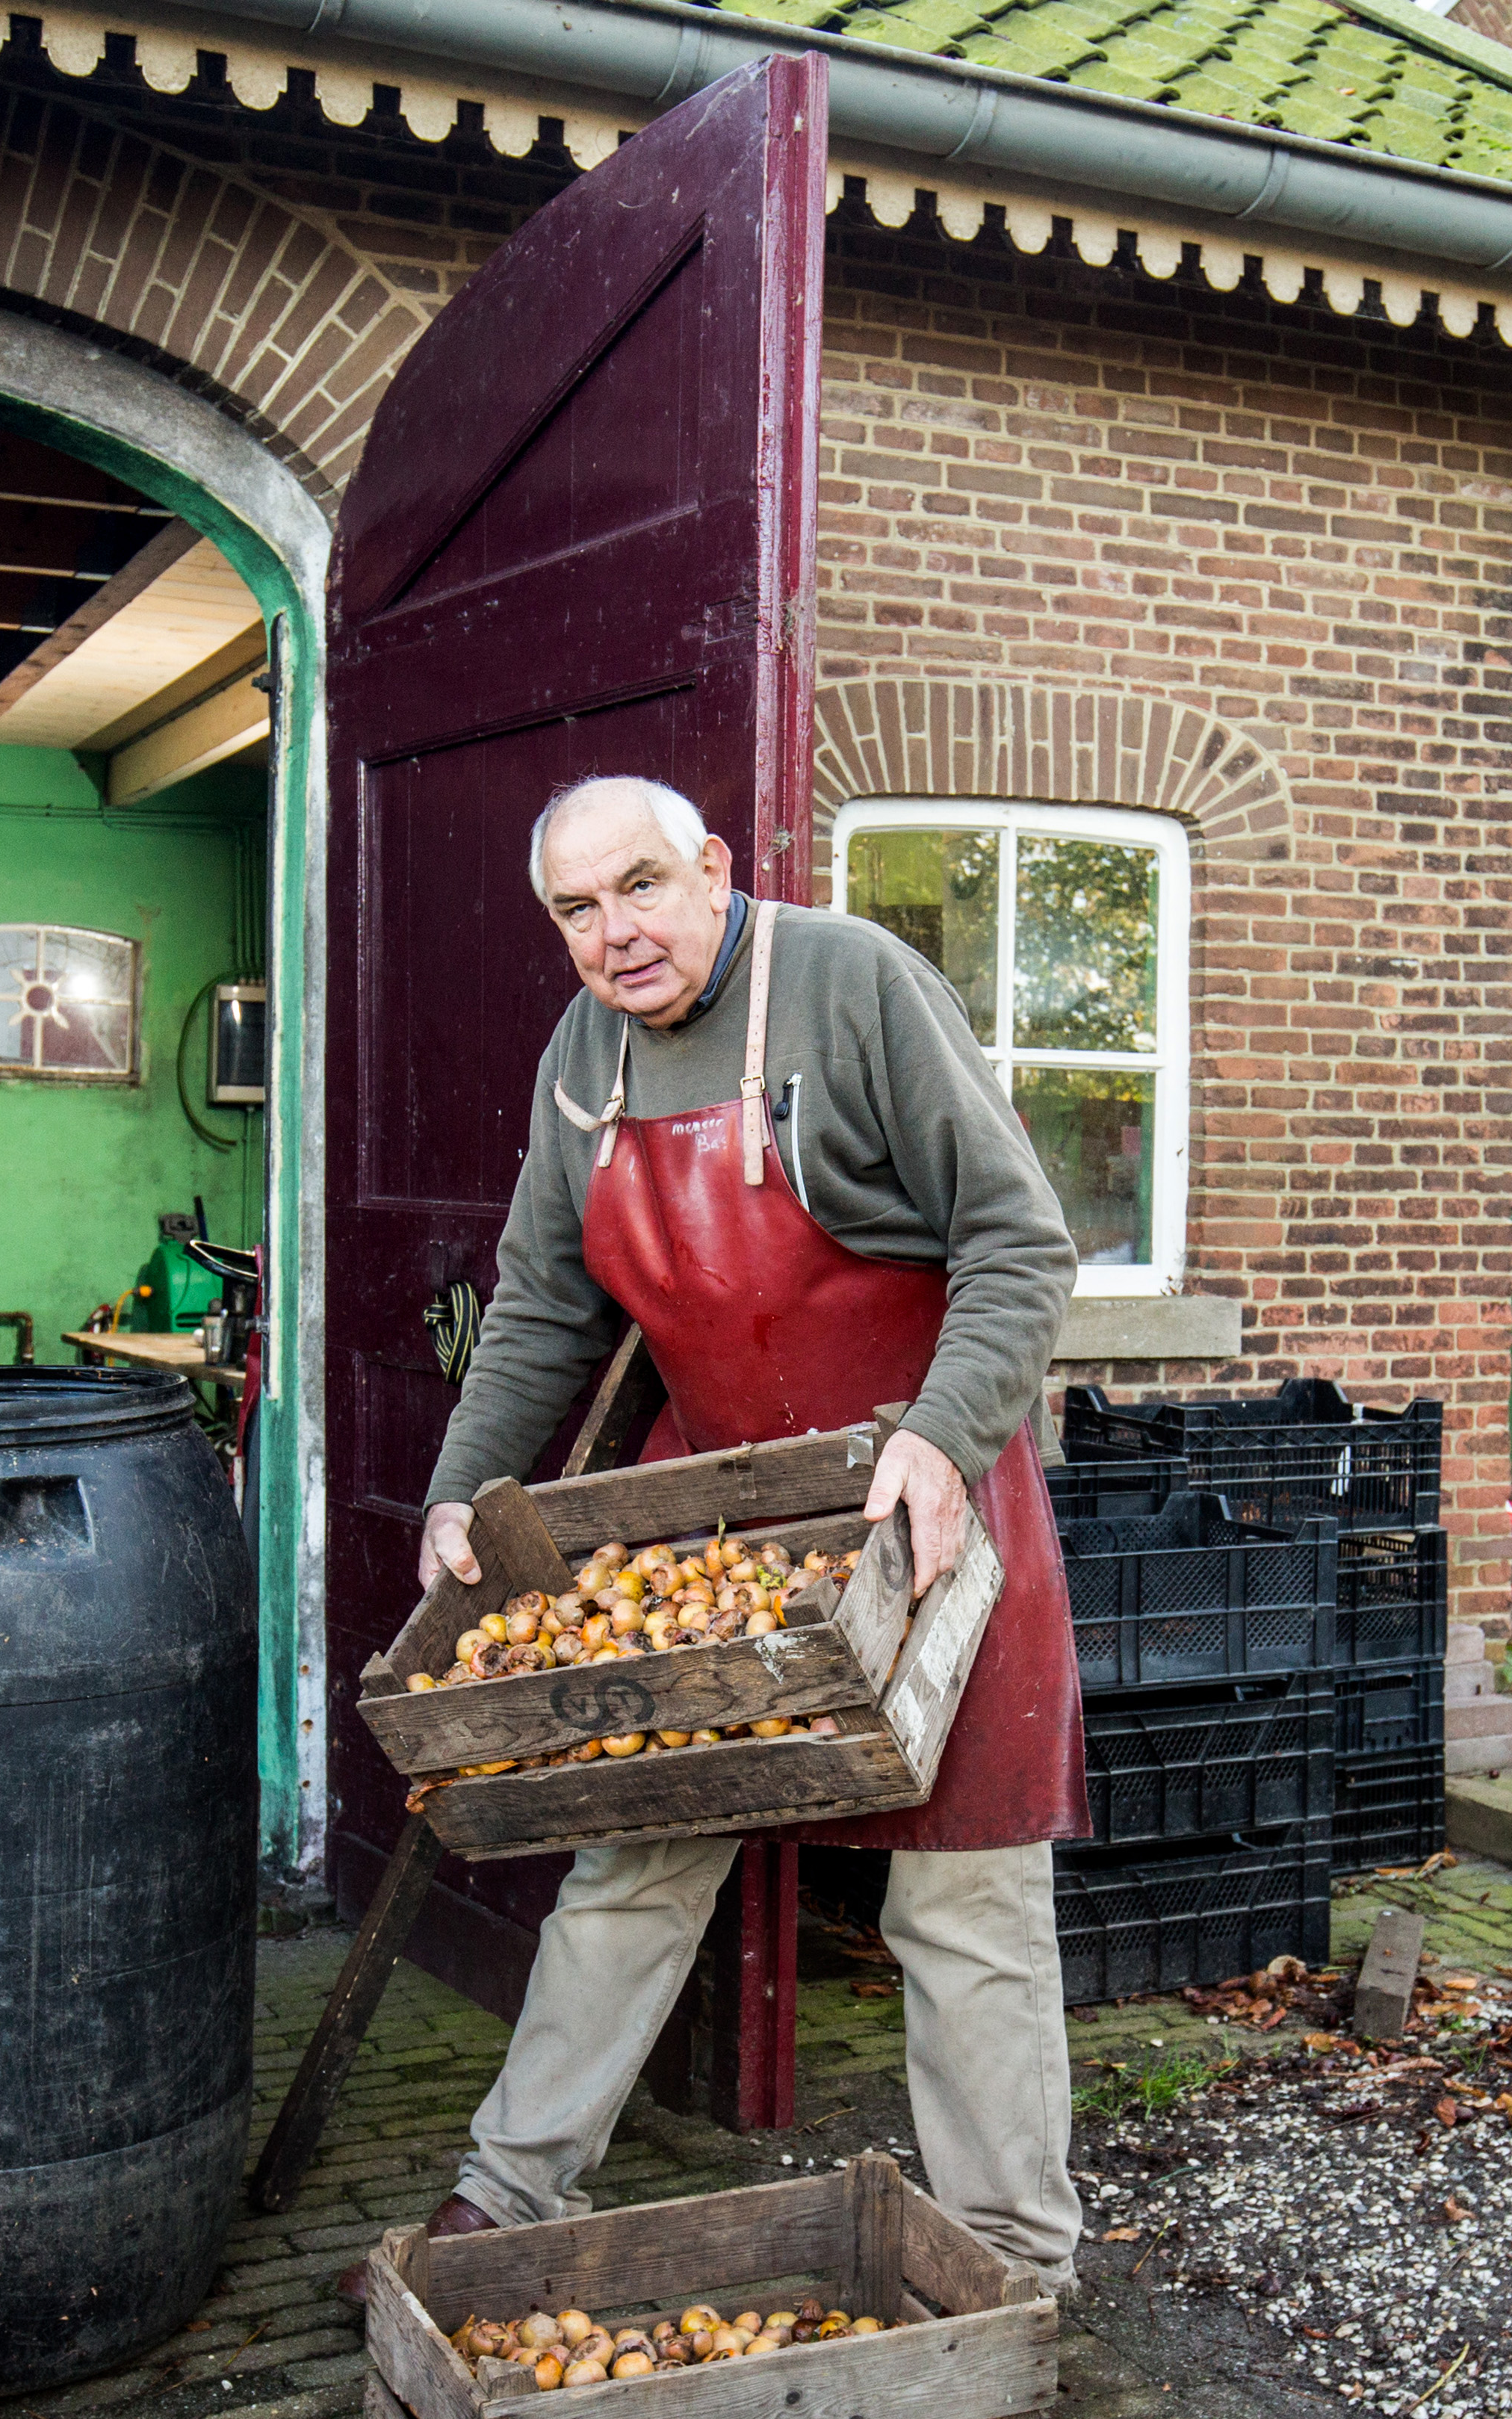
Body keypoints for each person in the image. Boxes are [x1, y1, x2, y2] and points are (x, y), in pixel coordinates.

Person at [349, 772, 1091, 2294]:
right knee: (633, 1850)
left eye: (639, 887)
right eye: (576, 909)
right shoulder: (583, 1057)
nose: (614, 934)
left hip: (921, 1497)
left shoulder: (855, 985)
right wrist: (462, 1490)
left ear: (711, 866)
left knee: (964, 1889)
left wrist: (942, 1446)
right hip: (720, 1528)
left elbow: (1019, 1240)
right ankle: (509, 2197)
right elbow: (547, 1304)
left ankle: (1013, 2262)